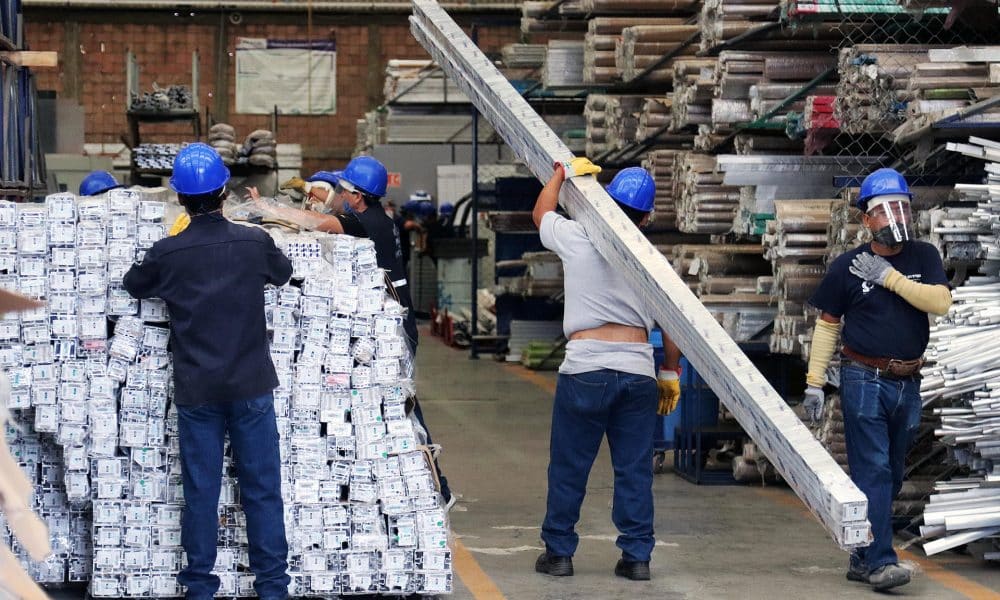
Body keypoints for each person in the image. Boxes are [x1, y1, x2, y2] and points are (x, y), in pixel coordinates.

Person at [123, 143, 293, 600]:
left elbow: (133, 284)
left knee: (202, 491)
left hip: (198, 391)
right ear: (223, 191)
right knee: (261, 488)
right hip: (251, 387)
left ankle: (199, 587)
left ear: (180, 198)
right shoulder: (253, 243)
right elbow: (284, 272)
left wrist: (172, 245)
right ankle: (273, 588)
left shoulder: (167, 253)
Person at [249, 156, 454, 507]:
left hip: (394, 328)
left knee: (401, 408)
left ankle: (437, 487)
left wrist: (263, 208)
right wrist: (308, 189)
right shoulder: (376, 216)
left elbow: (318, 220)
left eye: (344, 191)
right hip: (394, 319)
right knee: (393, 404)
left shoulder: (363, 222)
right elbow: (327, 207)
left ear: (357, 197)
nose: (339, 195)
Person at [804, 167, 952, 592]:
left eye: (902, 207)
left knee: (890, 474)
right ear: (866, 219)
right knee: (874, 468)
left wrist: (890, 279)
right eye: (884, 210)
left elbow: (939, 303)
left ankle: (862, 554)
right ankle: (881, 562)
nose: (895, 217)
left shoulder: (923, 257)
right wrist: (815, 380)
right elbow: (828, 325)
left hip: (908, 381)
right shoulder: (847, 267)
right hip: (863, 377)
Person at [532, 160, 680, 582]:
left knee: (569, 465)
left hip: (586, 368)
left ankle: (559, 553)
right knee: (633, 468)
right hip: (637, 371)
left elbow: (541, 214)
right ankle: (636, 558)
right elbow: (674, 322)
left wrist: (560, 175)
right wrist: (669, 372)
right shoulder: (654, 259)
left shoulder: (578, 237)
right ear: (648, 217)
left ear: (608, 203)